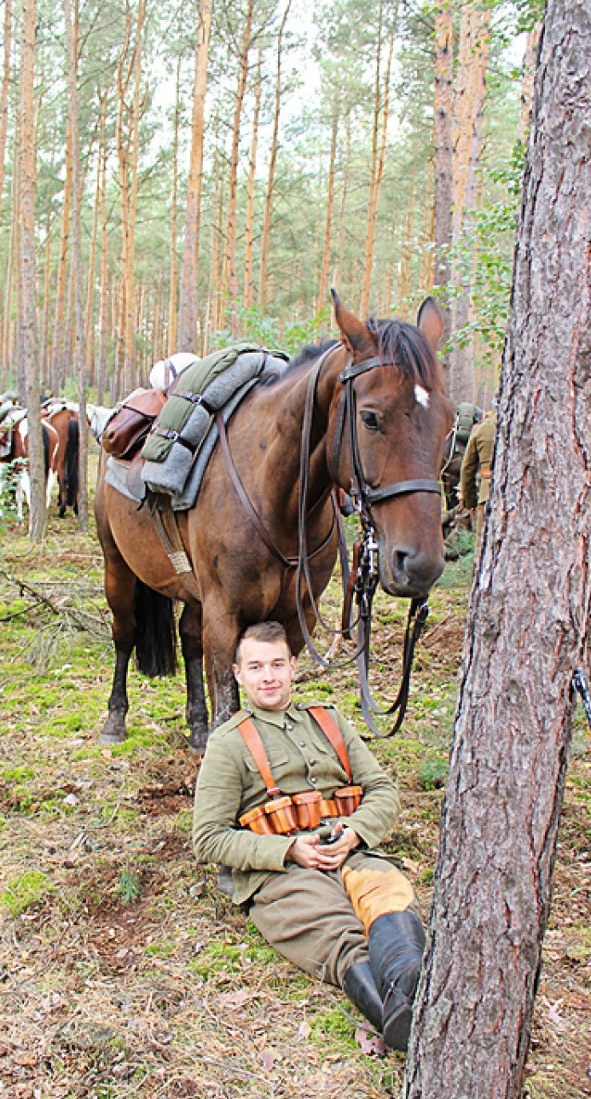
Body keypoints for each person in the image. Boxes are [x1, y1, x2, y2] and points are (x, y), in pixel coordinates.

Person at [192, 621, 426, 1052]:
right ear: (238, 674)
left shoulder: (329, 720)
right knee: (336, 932)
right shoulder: (227, 743)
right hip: (282, 876)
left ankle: (413, 978)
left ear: (293, 667)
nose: (269, 677)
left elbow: (382, 790)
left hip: (348, 854)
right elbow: (207, 838)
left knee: (386, 895)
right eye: (257, 666)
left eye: (277, 664)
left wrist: (355, 833)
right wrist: (288, 849)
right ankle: (397, 1021)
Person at [459, 406, 497, 540]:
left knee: (483, 546)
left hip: (486, 495)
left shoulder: (483, 429)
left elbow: (467, 469)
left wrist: (470, 503)